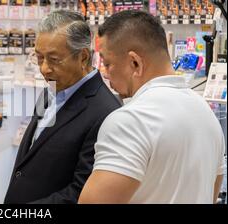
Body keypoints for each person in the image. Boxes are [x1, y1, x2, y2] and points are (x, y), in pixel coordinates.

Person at [79, 10, 226, 204]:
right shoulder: (206, 113)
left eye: (107, 63)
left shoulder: (129, 121)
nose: (104, 73)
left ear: (135, 63)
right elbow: (211, 193)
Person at [4, 9, 121, 204]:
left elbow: (81, 192)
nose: (44, 68)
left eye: (54, 59)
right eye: (40, 58)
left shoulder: (105, 113)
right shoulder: (52, 88)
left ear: (83, 57)